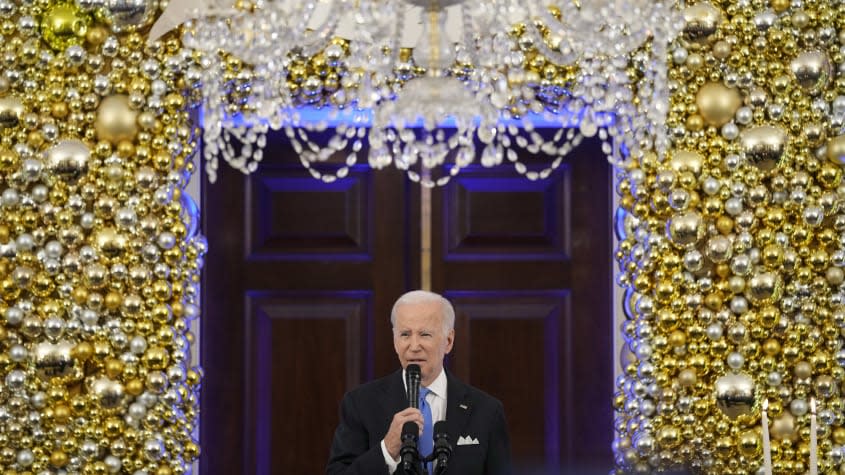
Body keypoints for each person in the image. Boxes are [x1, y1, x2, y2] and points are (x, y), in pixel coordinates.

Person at [326, 290, 512, 475]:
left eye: (425, 334)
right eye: (405, 334)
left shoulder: (487, 410)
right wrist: (387, 450)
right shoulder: (360, 404)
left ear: (448, 341)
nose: (414, 347)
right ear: (394, 340)